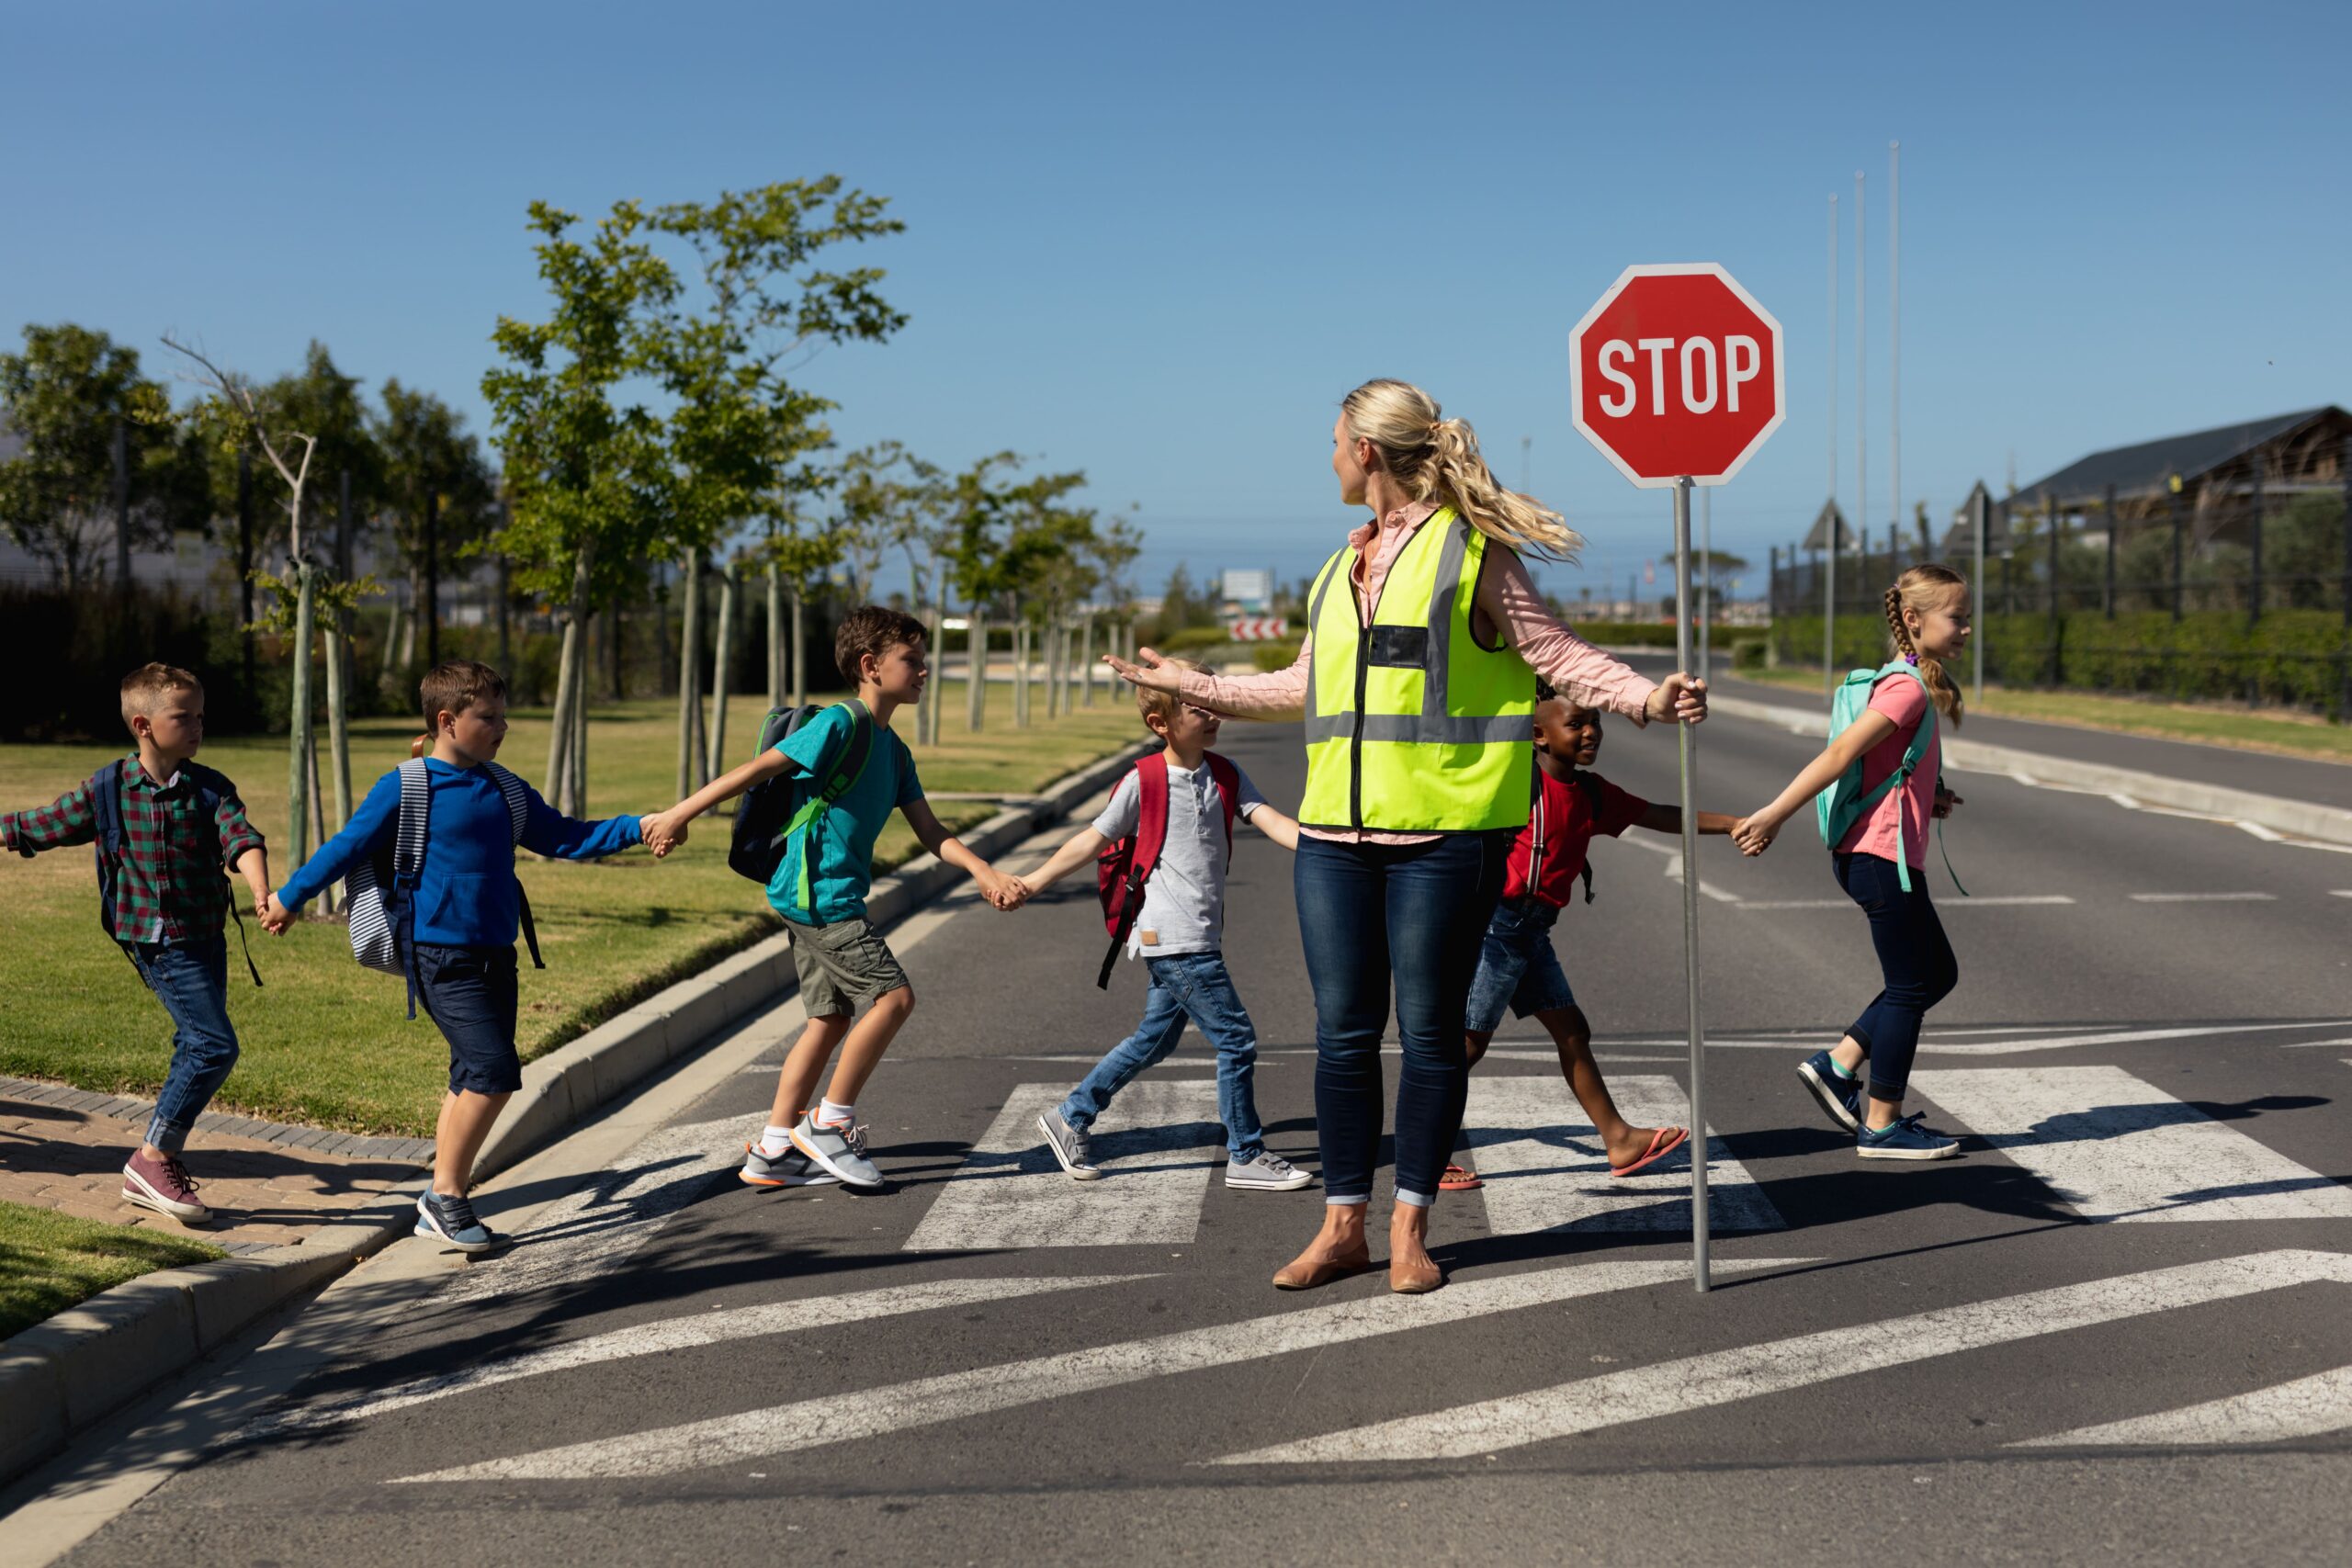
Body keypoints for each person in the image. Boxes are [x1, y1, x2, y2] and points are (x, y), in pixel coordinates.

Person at [1106, 378, 1706, 1293]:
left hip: (1444, 836)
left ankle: (1411, 1226)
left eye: (1334, 442)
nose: (1330, 458)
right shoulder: (1334, 569)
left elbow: (1558, 654)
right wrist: (1193, 682)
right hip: (1335, 842)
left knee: (1427, 1036)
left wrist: (1647, 698)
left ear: (1367, 453)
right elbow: (1297, 686)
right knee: (1342, 1034)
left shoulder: (1472, 554)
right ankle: (1342, 1225)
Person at [265, 660, 648, 1251]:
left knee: (471, 1073)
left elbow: (565, 836)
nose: (502, 727)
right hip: (437, 953)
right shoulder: (407, 785)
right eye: (487, 717)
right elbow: (346, 845)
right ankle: (447, 1197)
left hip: (499, 950)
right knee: (494, 1073)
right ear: (447, 720)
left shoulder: (505, 788)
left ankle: (439, 1197)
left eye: (502, 715)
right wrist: (290, 898)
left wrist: (639, 827)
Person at [639, 605, 1020, 1192]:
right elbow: (756, 770)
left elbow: (931, 829)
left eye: (924, 661)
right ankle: (828, 1124)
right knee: (892, 998)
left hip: (820, 895)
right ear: (870, 666)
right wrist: (680, 813)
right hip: (820, 895)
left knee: (829, 1017)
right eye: (911, 661)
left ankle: (771, 1150)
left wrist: (982, 870)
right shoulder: (840, 724)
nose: (924, 671)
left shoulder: (893, 750)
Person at [1005, 660, 1310, 1191]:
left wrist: (1331, 846)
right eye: (1197, 708)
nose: (1212, 714)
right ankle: (1245, 1153)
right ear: (1159, 723)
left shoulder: (1226, 773)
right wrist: (1032, 882)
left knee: (1155, 1040)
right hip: (1171, 935)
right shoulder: (1144, 780)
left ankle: (1070, 1115)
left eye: (1212, 704)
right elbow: (1092, 840)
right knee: (1236, 1040)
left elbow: (1271, 820)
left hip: (1196, 931)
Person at [4, 663, 269, 1226]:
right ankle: (153, 1158)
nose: (197, 726)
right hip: (154, 938)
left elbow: (241, 837)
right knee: (212, 1045)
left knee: (197, 1041)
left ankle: (155, 1159)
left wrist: (262, 888)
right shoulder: (107, 789)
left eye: (200, 715)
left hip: (205, 935)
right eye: (184, 717)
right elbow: (41, 824)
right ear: (144, 724)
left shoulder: (209, 787)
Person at [1442, 680, 1736, 1190]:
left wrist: (1737, 823)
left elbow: (1658, 814)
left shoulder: (1591, 793)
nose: (1590, 732)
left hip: (1533, 932)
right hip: (1499, 927)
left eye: (1595, 722)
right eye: (1575, 723)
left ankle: (1619, 1139)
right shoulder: (1515, 782)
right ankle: (1425, 1154)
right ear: (1537, 735)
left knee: (1572, 1032)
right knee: (1467, 1043)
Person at [1732, 564, 1971, 1160]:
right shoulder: (1907, 687)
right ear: (1914, 620)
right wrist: (1774, 813)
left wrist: (1927, 795)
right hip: (1879, 858)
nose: (1967, 629)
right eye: (1957, 618)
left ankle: (1838, 1065)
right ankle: (1882, 1122)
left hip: (1879, 852)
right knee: (1912, 984)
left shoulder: (1908, 679)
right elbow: (1840, 753)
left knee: (1935, 972)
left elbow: (1882, 764)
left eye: (1969, 618)